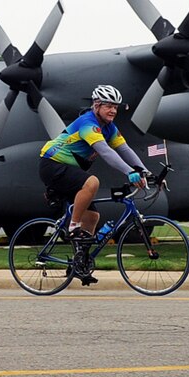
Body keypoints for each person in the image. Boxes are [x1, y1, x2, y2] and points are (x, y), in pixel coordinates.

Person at [39, 85, 149, 285]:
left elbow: (124, 149)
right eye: (108, 106)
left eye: (115, 107)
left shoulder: (110, 128)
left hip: (70, 169)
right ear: (96, 105)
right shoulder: (87, 123)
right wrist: (129, 172)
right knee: (92, 182)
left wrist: (144, 171)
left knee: (92, 217)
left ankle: (78, 264)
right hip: (52, 164)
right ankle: (73, 225)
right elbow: (105, 152)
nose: (113, 111)